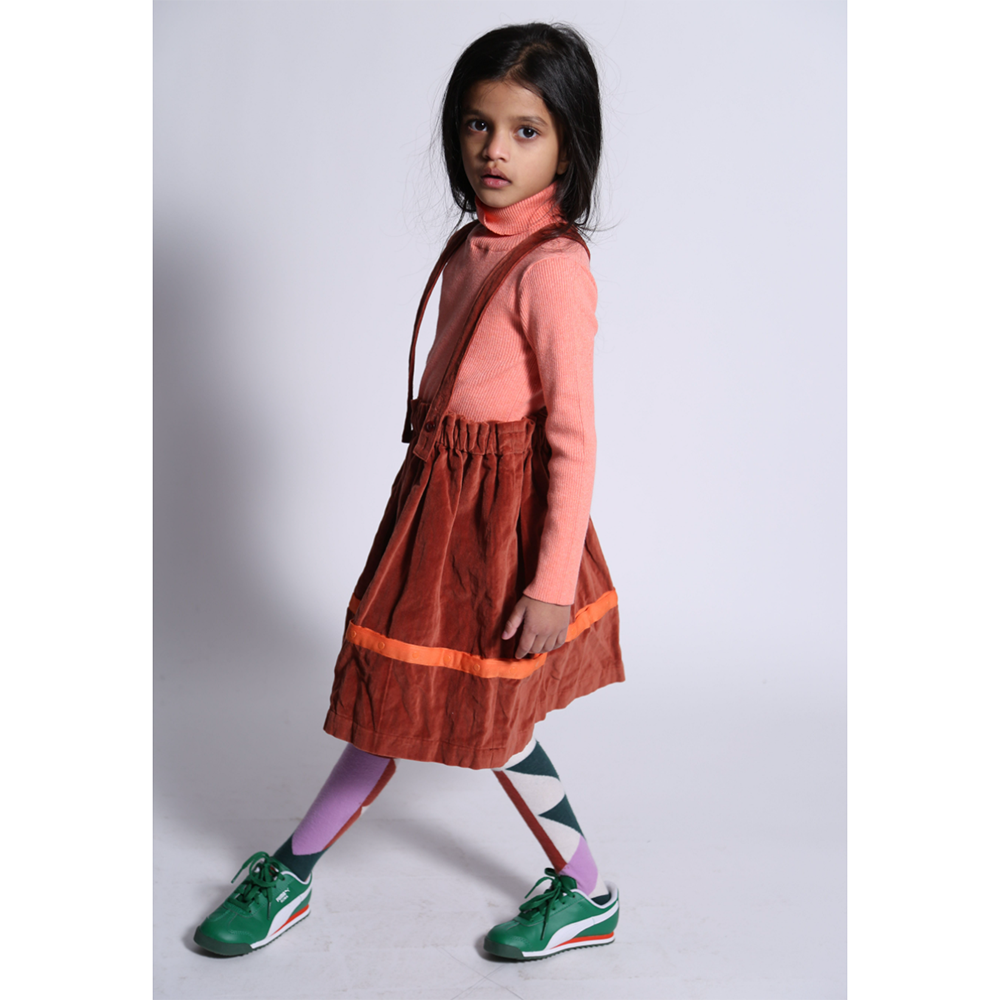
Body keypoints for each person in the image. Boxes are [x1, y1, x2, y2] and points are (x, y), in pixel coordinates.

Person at [194, 22, 625, 962]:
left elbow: (573, 439)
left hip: (499, 530)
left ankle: (587, 890)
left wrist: (551, 582)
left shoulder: (554, 271)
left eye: (525, 131)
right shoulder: (474, 245)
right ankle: (294, 872)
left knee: (491, 723)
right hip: (438, 508)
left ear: (568, 147)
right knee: (392, 698)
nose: (494, 150)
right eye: (477, 124)